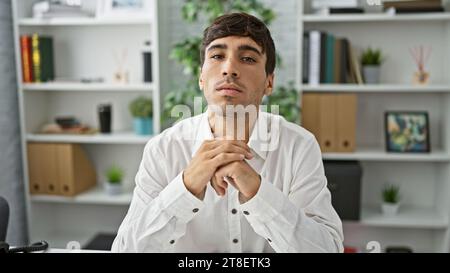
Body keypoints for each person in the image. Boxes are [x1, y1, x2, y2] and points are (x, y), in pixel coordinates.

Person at [112, 12, 343, 253]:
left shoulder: (298, 146)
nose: (229, 69)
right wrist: (185, 187)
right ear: (201, 77)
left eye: (248, 59)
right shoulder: (163, 149)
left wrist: (257, 191)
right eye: (217, 56)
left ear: (269, 83)